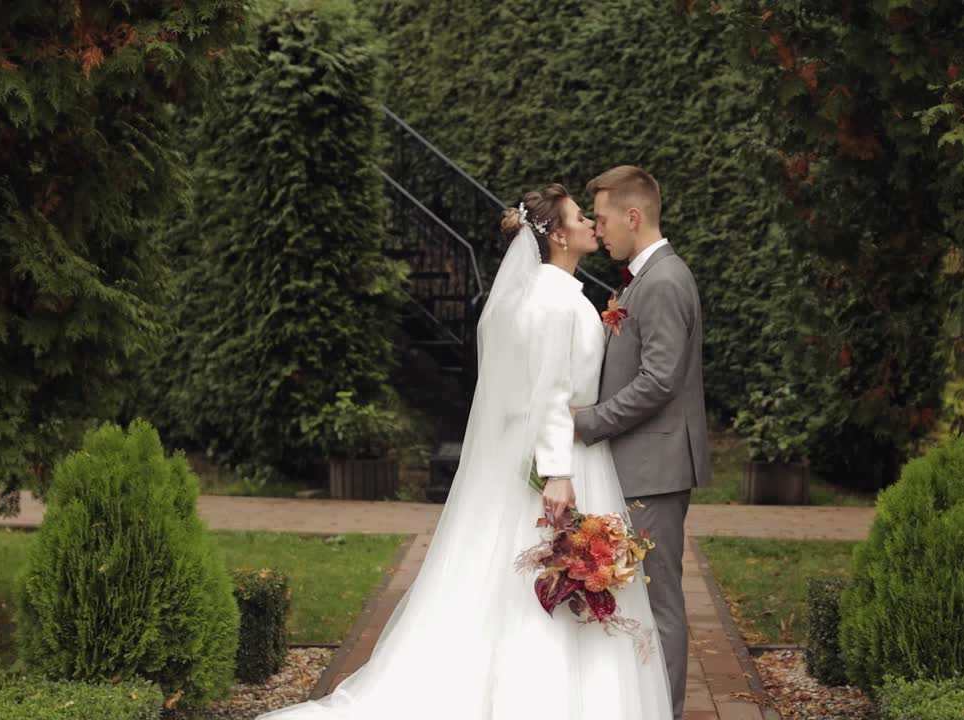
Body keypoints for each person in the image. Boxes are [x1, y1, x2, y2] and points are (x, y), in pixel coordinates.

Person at [256, 183, 673, 720]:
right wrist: (556, 472)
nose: (592, 225)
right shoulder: (553, 303)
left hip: (562, 454)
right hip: (563, 461)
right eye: (579, 218)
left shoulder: (551, 295)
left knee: (534, 582)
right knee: (546, 585)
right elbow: (548, 392)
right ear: (557, 236)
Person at [572, 165, 710, 720]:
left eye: (602, 219)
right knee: (644, 599)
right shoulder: (643, 279)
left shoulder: (665, 281)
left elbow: (659, 380)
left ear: (633, 217)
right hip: (642, 462)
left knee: (659, 603)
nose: (597, 230)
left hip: (655, 466)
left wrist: (589, 422)